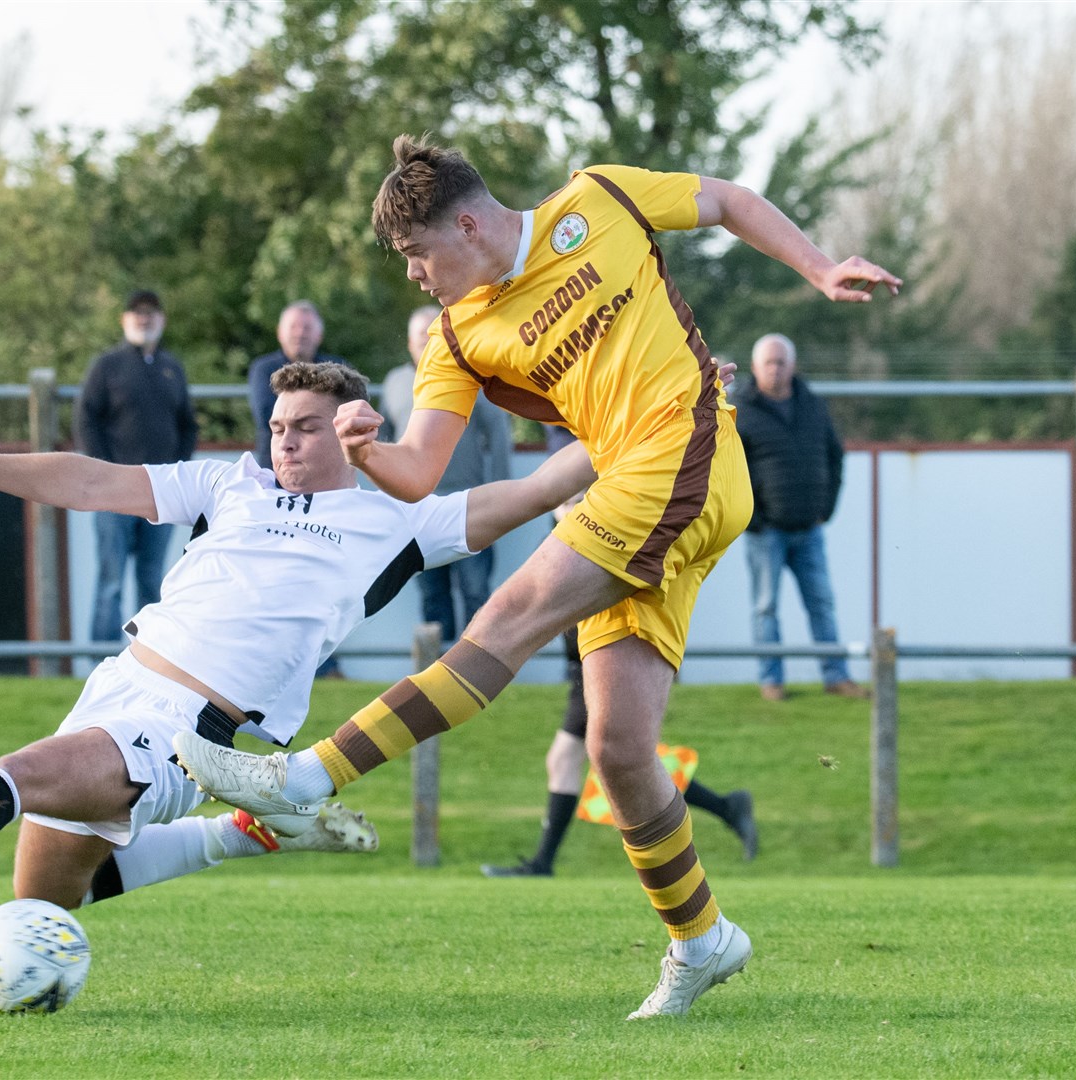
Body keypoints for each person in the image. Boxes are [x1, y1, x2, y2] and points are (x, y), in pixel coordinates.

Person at [173, 134, 900, 1020]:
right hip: (643, 493)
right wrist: (368, 449)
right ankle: (701, 939)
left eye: (415, 255)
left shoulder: (599, 199)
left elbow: (730, 200)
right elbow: (421, 473)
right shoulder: (458, 338)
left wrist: (818, 268)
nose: (412, 276)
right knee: (619, 749)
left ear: (469, 225)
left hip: (685, 456)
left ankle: (306, 779)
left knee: (507, 618)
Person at [0, 362, 602, 916]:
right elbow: (86, 480)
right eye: (277, 425)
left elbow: (540, 485)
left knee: (20, 777)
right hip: (118, 685)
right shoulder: (229, 483)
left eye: (305, 428)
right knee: (44, 899)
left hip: (191, 729)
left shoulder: (400, 524)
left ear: (354, 434)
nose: (284, 441)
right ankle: (241, 832)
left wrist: (662, 406)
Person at [481, 627, 758, 877]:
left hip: (603, 659)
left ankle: (725, 809)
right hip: (590, 662)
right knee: (578, 759)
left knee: (617, 760)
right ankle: (726, 808)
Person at [734, 333, 866, 701]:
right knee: (766, 607)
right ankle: (771, 681)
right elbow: (726, 470)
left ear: (792, 366)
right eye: (768, 363)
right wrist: (753, 518)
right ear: (755, 368)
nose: (775, 369)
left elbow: (835, 456)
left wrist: (826, 508)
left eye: (781, 362)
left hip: (809, 529)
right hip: (765, 532)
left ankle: (836, 677)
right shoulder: (739, 412)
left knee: (821, 603)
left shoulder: (813, 407)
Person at [383, 305, 513, 644]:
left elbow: (498, 432)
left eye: (432, 336)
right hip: (416, 510)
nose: (426, 345)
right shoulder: (396, 383)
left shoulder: (470, 373)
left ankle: (479, 667)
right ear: (409, 344)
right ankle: (436, 676)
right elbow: (384, 443)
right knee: (432, 595)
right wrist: (390, 500)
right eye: (419, 339)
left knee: (476, 591)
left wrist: (502, 493)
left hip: (470, 504)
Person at [81, 289, 197, 642]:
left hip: (159, 493)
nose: (144, 319)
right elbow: (86, 419)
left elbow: (187, 424)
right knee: (111, 579)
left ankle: (149, 659)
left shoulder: (171, 367)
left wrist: (179, 472)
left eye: (151, 313)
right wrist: (103, 471)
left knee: (153, 579)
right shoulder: (107, 366)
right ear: (124, 320)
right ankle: (99, 658)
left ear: (162, 320)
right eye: (137, 313)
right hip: (113, 491)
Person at [246, 301, 347, 471]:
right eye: (293, 327)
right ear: (280, 332)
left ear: (319, 335)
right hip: (277, 470)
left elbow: (347, 413)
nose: (300, 333)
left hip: (328, 470)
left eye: (307, 328)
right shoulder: (263, 369)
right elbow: (267, 416)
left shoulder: (338, 367)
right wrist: (319, 421)